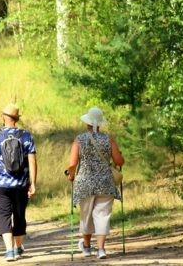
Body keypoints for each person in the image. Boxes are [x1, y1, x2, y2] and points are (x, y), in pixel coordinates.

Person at [66, 106, 124, 259]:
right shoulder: (108, 139)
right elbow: (118, 161)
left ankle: (86, 247)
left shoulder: (79, 139)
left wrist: (71, 175)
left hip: (84, 183)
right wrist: (120, 157)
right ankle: (101, 249)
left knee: (86, 215)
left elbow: (72, 164)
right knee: (102, 215)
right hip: (105, 183)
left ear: (87, 123)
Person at [0, 103, 37, 262]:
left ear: (3, 118)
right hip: (21, 184)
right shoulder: (26, 135)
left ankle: (9, 251)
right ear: (16, 119)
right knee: (19, 216)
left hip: (1, 184)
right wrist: (33, 183)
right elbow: (32, 161)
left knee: (4, 215)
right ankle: (18, 247)